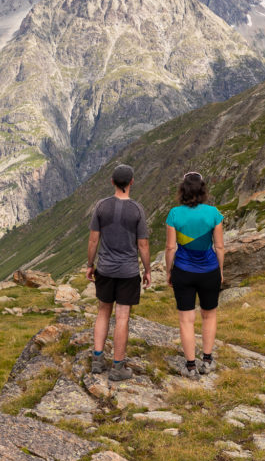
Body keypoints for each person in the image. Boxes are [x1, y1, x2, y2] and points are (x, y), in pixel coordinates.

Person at [87, 163, 151, 381]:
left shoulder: (101, 206)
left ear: (112, 182)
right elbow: (142, 244)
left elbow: (94, 239)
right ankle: (117, 367)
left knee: (103, 311)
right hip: (128, 271)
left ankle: (97, 360)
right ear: (131, 182)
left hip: (104, 269)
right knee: (122, 316)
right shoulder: (137, 210)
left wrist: (89, 264)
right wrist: (148, 270)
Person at [165, 171, 225, 379]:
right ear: (203, 190)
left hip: (183, 270)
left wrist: (168, 271)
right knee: (209, 315)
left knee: (186, 319)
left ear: (182, 190)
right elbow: (219, 246)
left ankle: (190, 366)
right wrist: (221, 271)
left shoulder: (174, 214)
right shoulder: (214, 213)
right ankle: (207, 360)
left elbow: (170, 247)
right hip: (209, 270)